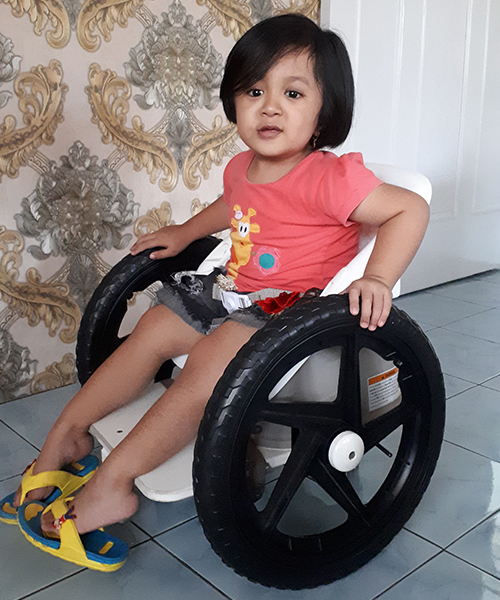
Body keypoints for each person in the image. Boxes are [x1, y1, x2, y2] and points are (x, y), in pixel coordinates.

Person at [7, 13, 429, 565]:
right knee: (153, 327)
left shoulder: (330, 177)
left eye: (292, 93)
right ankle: (69, 431)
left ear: (324, 113)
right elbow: (234, 205)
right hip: (237, 291)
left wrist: (377, 277)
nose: (269, 106)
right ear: (234, 102)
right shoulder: (241, 167)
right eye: (254, 91)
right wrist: (187, 232)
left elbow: (409, 208)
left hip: (292, 310)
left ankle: (113, 484)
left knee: (208, 364)